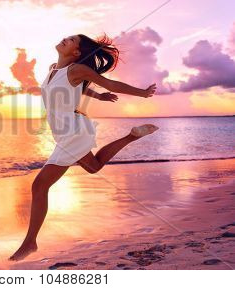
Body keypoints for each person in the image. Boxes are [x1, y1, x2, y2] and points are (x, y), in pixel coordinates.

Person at [8, 33, 158, 261]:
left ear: (77, 53)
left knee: (39, 186)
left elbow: (111, 83)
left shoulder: (77, 70)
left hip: (73, 132)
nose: (64, 40)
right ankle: (131, 136)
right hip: (64, 133)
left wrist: (143, 93)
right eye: (67, 37)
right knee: (93, 166)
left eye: (70, 41)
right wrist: (97, 96)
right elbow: (75, 88)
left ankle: (30, 243)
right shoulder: (53, 69)